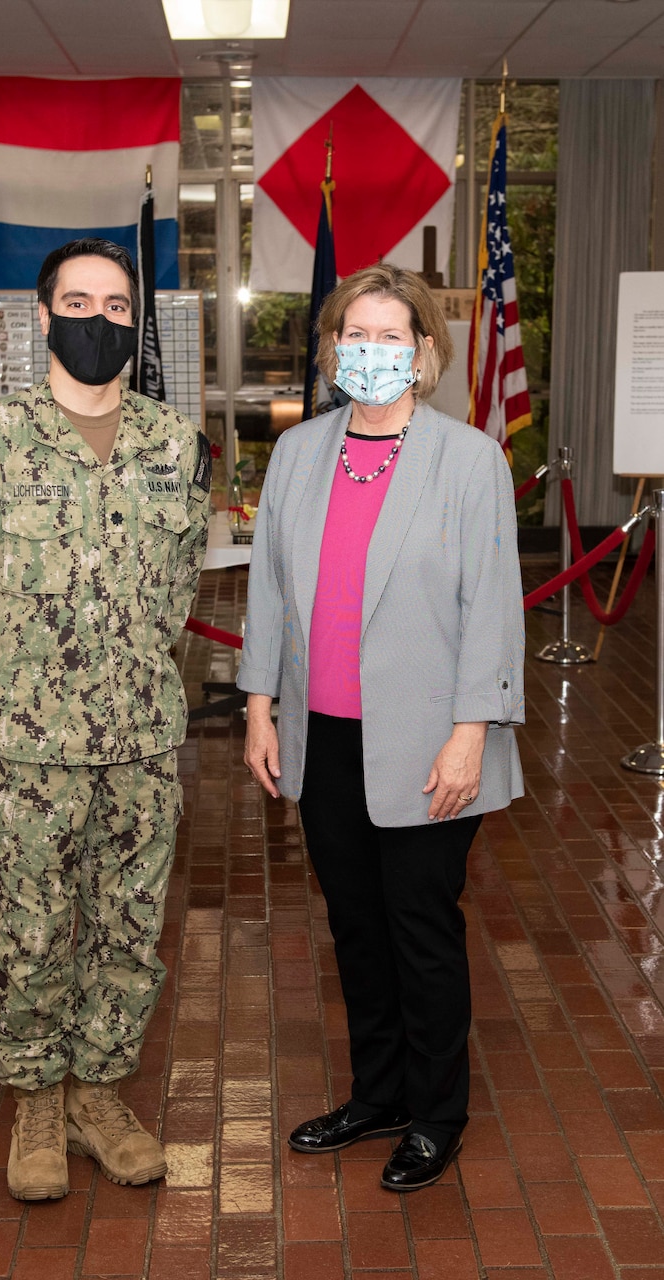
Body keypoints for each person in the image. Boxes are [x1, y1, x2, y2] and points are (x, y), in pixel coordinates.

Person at [0, 238, 211, 1201]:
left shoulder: (177, 447)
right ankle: (37, 1097)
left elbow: (176, 595)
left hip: (142, 742)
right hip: (30, 748)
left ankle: (101, 1092)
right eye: (78, 302)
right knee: (34, 927)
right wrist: (14, 690)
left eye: (117, 308)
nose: (97, 321)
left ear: (135, 322)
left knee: (129, 928)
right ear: (40, 317)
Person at [237, 263, 524, 1193]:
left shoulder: (470, 459)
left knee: (419, 930)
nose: (369, 352)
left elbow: (494, 608)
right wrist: (257, 706)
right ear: (330, 351)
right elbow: (270, 591)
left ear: (426, 352)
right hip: (324, 738)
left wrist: (471, 731)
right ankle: (379, 1094)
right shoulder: (298, 454)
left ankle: (438, 1113)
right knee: (356, 927)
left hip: (433, 741)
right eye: (353, 336)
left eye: (390, 337)